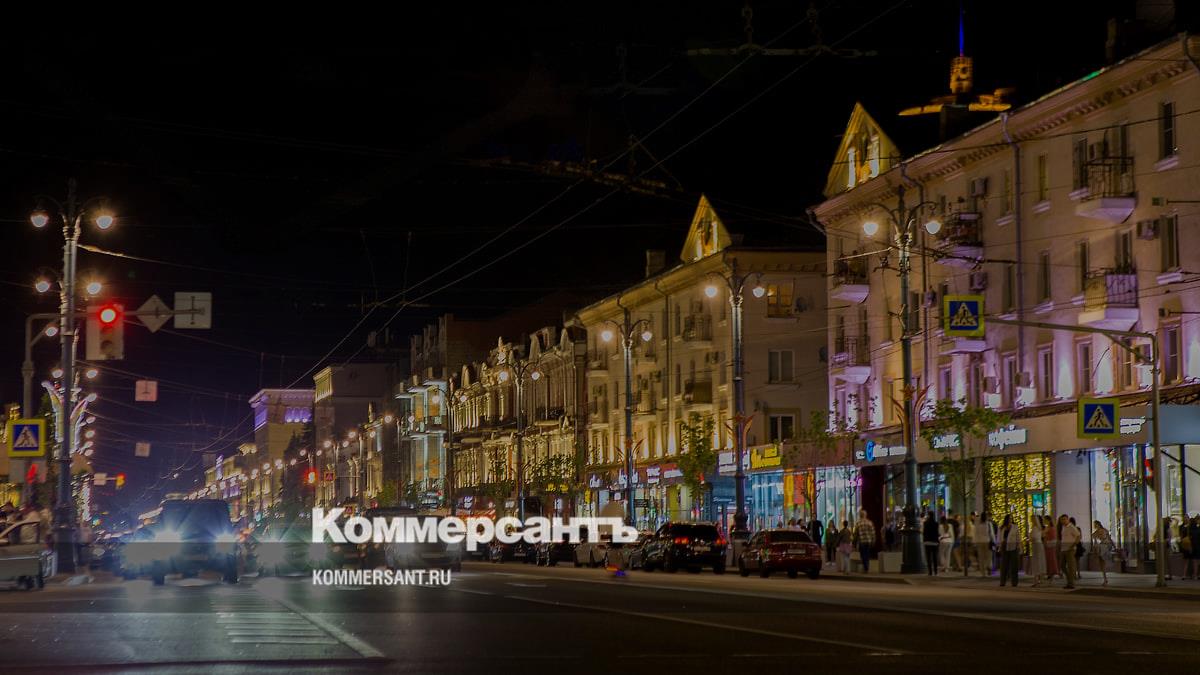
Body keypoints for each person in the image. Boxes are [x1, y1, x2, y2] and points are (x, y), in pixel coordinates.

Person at [997, 515, 1020, 587]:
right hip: (1004, 547)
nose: (1010, 520)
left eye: (1011, 518)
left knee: (1014, 566)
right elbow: (999, 537)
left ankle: (1014, 582)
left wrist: (1018, 545)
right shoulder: (1002, 527)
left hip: (1013, 547)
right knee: (1004, 565)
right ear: (1006, 519)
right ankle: (1002, 581)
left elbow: (1018, 537)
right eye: (1009, 518)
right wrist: (999, 546)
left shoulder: (1015, 527)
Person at [1059, 514, 1081, 589]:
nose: (1063, 521)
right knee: (1062, 565)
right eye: (1062, 520)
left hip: (1070, 549)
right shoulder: (1063, 527)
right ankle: (1069, 580)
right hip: (1063, 549)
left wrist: (1073, 545)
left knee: (1071, 566)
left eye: (1064, 519)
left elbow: (1078, 536)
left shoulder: (1071, 527)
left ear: (1068, 519)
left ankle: (1071, 583)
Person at [1091, 520, 1115, 586]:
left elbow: (1096, 542)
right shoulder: (1102, 531)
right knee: (1102, 563)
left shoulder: (1099, 532)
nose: (1094, 526)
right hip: (1104, 547)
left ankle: (1105, 579)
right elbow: (1109, 539)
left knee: (1102, 563)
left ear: (1098, 524)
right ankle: (1105, 579)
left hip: (1104, 547)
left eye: (1095, 524)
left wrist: (1095, 550)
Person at [852, 510, 876, 574]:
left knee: (862, 554)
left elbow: (855, 534)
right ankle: (866, 566)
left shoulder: (858, 523)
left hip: (861, 541)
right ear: (866, 515)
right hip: (868, 541)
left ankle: (865, 566)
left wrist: (854, 542)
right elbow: (873, 533)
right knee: (867, 554)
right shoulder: (870, 523)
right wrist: (873, 540)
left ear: (860, 515)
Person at [974, 513, 995, 577]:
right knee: (989, 556)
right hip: (987, 541)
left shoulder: (978, 525)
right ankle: (989, 567)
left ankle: (983, 572)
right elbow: (991, 534)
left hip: (979, 542)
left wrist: (975, 542)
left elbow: (976, 533)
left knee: (981, 557)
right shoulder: (989, 524)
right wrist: (994, 541)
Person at [1028, 514, 1046, 587]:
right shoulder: (1037, 528)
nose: (1031, 520)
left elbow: (1034, 537)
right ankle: (1038, 579)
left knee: (1037, 562)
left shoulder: (1036, 528)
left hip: (1037, 545)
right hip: (1037, 545)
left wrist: (1029, 539)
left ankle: (1037, 580)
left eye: (1032, 519)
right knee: (1038, 562)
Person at [1043, 516, 1060, 582]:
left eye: (1045, 520)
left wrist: (1047, 540)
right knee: (1048, 560)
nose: (1044, 521)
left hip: (1050, 546)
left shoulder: (1052, 528)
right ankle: (1049, 574)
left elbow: (1053, 538)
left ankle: (1052, 574)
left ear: (1049, 520)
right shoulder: (1047, 527)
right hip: (1046, 546)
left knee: (1051, 560)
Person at [922, 511, 939, 575]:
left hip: (928, 541)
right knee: (935, 557)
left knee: (928, 557)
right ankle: (936, 571)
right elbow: (937, 532)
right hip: (934, 541)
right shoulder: (936, 523)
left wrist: (924, 540)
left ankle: (930, 571)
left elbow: (924, 532)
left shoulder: (925, 523)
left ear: (928, 515)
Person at [1186, 514, 1200, 580]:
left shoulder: (1190, 530)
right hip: (1197, 546)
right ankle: (1196, 574)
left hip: (1193, 546)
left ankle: (1195, 574)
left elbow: (1190, 538)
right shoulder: (1197, 529)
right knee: (1197, 561)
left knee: (1194, 562)